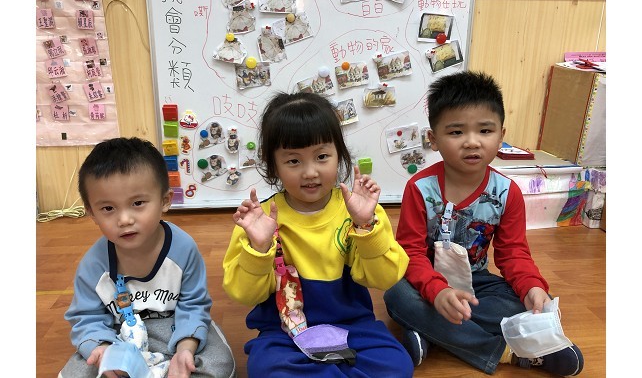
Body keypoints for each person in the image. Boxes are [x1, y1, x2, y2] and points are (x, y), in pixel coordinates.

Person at [383, 71, 584, 376]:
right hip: (424, 281)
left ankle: (432, 333)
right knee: (395, 295)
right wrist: (437, 291)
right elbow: (410, 252)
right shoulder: (419, 188)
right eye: (456, 132)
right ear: (433, 139)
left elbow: (513, 253)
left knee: (519, 303)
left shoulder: (507, 192)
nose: (472, 142)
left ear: (501, 135)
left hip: (476, 281)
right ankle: (507, 352)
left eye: (485, 130)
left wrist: (532, 287)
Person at [222, 92, 414, 377]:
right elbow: (244, 293)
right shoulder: (259, 220)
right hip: (284, 332)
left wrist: (365, 227)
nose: (310, 172)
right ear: (273, 165)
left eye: (322, 157)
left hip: (352, 327)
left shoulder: (360, 213)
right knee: (267, 368)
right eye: (293, 161)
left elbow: (385, 278)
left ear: (339, 155)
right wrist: (259, 248)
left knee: (397, 365)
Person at [59, 137, 236, 378]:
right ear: (91, 212)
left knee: (219, 363)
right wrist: (104, 351)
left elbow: (193, 306)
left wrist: (185, 349)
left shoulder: (183, 249)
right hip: (118, 335)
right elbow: (86, 318)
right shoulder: (93, 265)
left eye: (138, 203)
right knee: (76, 372)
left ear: (165, 201)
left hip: (175, 326)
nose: (124, 219)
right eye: (108, 208)